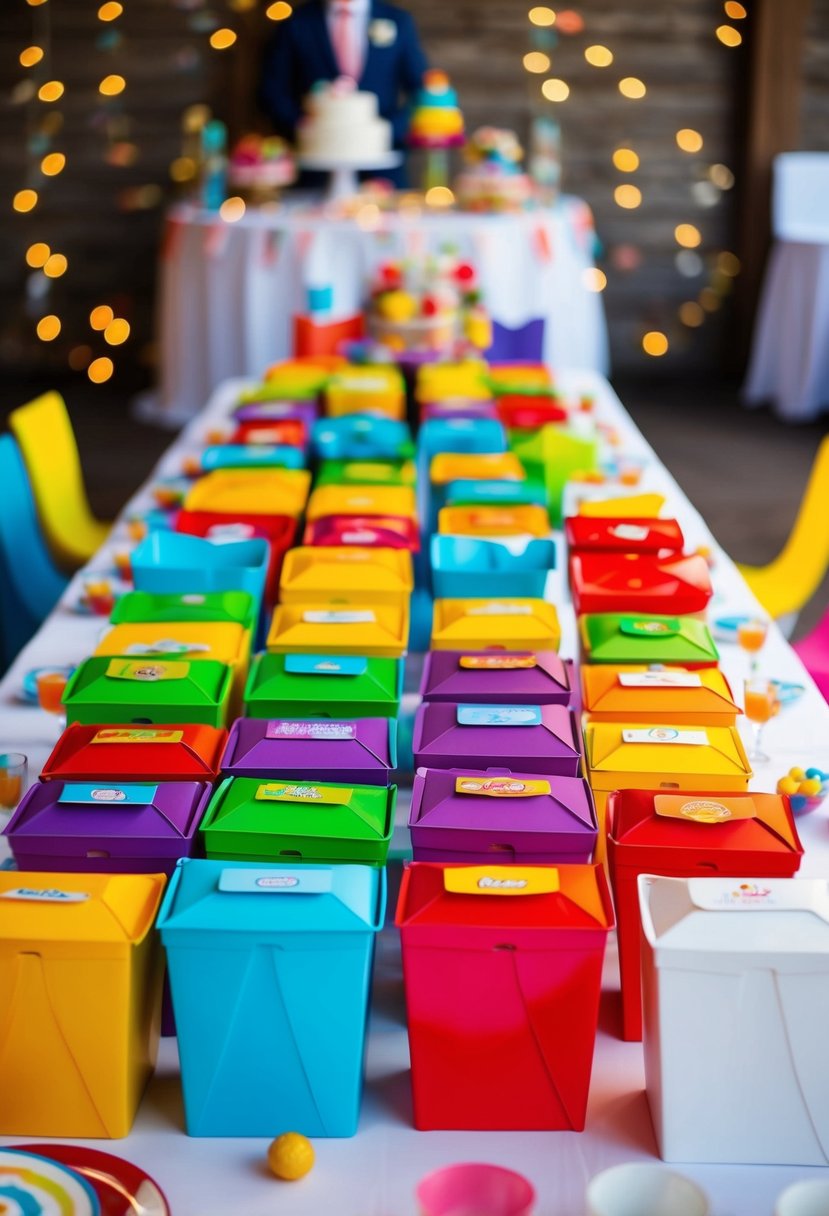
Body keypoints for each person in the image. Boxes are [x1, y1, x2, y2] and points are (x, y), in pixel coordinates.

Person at [259, 0, 428, 184]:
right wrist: (304, 129)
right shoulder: (297, 21)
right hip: (315, 170)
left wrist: (387, 131)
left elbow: (421, 89)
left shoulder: (397, 20)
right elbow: (273, 89)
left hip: (383, 170)